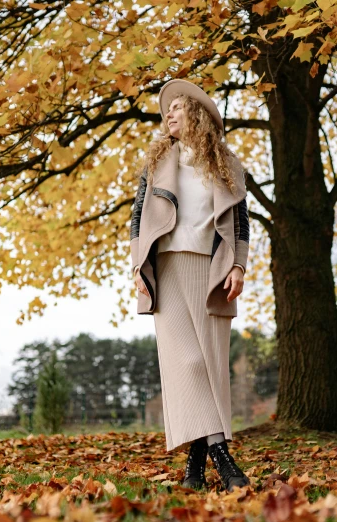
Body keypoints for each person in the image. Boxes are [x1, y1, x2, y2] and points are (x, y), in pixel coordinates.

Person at [129, 79, 251, 493]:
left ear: (197, 114)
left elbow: (239, 224)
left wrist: (239, 265)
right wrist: (136, 268)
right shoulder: (158, 162)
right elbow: (137, 218)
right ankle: (222, 456)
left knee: (210, 369)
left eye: (178, 107)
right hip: (166, 270)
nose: (170, 114)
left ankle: (195, 471)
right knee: (189, 365)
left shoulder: (228, 166)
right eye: (169, 109)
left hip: (213, 272)